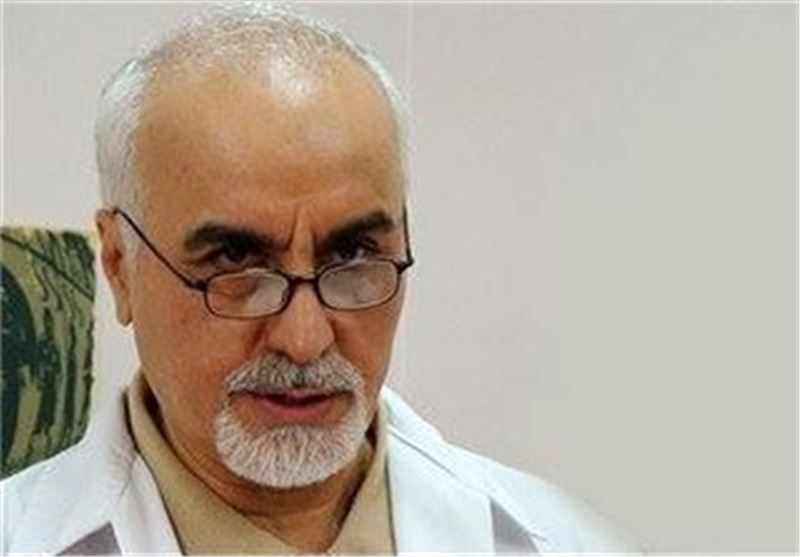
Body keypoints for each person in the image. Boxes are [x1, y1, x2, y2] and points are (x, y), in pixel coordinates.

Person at [1, 4, 641, 554]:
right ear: (120, 266)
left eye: (354, 255)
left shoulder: (572, 542)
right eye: (235, 263)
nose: (305, 340)